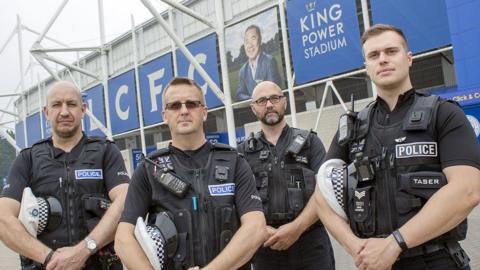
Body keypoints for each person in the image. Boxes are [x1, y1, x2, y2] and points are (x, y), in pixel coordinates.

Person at [314, 24, 480, 270]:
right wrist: (357, 248)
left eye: (391, 51)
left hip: (436, 261)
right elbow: (322, 198)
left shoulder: (444, 113)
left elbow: (467, 190)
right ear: (366, 68)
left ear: (409, 58)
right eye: (373, 55)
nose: (382, 60)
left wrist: (395, 244)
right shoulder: (351, 128)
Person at [114, 77, 267, 270]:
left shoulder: (235, 162)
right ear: (165, 115)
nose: (184, 111)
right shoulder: (148, 170)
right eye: (175, 106)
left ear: (204, 112)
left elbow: (256, 228)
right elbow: (122, 238)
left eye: (192, 104)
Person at [0, 81, 130, 270]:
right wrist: (50, 259)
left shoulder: (106, 152)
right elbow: (3, 218)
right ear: (46, 112)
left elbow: (125, 200)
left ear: (83, 109)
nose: (64, 112)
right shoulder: (27, 159)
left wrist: (84, 250)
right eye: (56, 105)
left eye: (71, 104)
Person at [238, 81, 335, 270]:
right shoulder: (242, 153)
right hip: (265, 248)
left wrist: (296, 228)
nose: (269, 105)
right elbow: (238, 201)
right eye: (262, 100)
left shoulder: (310, 143)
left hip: (311, 244)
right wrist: (263, 231)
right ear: (253, 108)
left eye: (275, 98)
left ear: (285, 102)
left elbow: (325, 191)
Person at [236, 25, 282, 101]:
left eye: (253, 38)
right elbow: (240, 94)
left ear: (260, 40)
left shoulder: (269, 61)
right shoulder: (243, 71)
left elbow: (272, 88)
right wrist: (253, 99)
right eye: (246, 41)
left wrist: (257, 99)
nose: (249, 45)